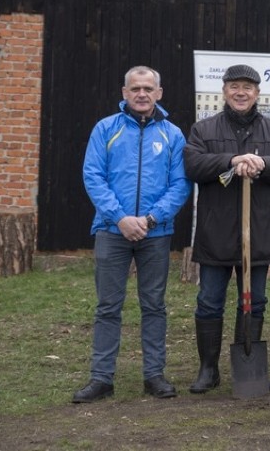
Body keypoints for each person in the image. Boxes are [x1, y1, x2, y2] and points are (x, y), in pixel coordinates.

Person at [74, 65, 191, 403]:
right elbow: (93, 176)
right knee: (108, 307)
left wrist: (151, 219)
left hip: (156, 234)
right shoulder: (105, 129)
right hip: (112, 231)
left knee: (154, 306)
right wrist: (121, 218)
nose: (142, 94)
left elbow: (180, 184)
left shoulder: (172, 134)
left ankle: (154, 376)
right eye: (135, 88)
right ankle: (101, 379)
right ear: (124, 93)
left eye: (148, 89)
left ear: (159, 93)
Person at [184, 64, 270, 394]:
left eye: (247, 87)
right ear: (224, 91)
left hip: (258, 231)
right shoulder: (204, 129)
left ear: (257, 93)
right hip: (216, 230)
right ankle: (208, 370)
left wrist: (263, 163)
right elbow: (192, 164)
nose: (240, 92)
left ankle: (246, 366)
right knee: (209, 301)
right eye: (234, 86)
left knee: (254, 302)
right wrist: (232, 161)